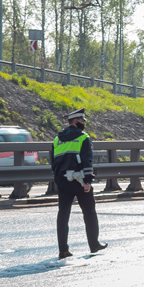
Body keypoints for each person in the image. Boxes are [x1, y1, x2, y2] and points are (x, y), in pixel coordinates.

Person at [52, 107, 107, 258]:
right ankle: (94, 245)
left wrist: (58, 181)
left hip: (63, 182)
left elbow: (53, 163)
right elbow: (87, 161)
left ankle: (63, 250)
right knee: (89, 212)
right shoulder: (83, 138)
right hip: (80, 181)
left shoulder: (57, 139)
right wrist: (88, 181)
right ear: (76, 121)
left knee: (63, 215)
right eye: (82, 120)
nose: (84, 123)